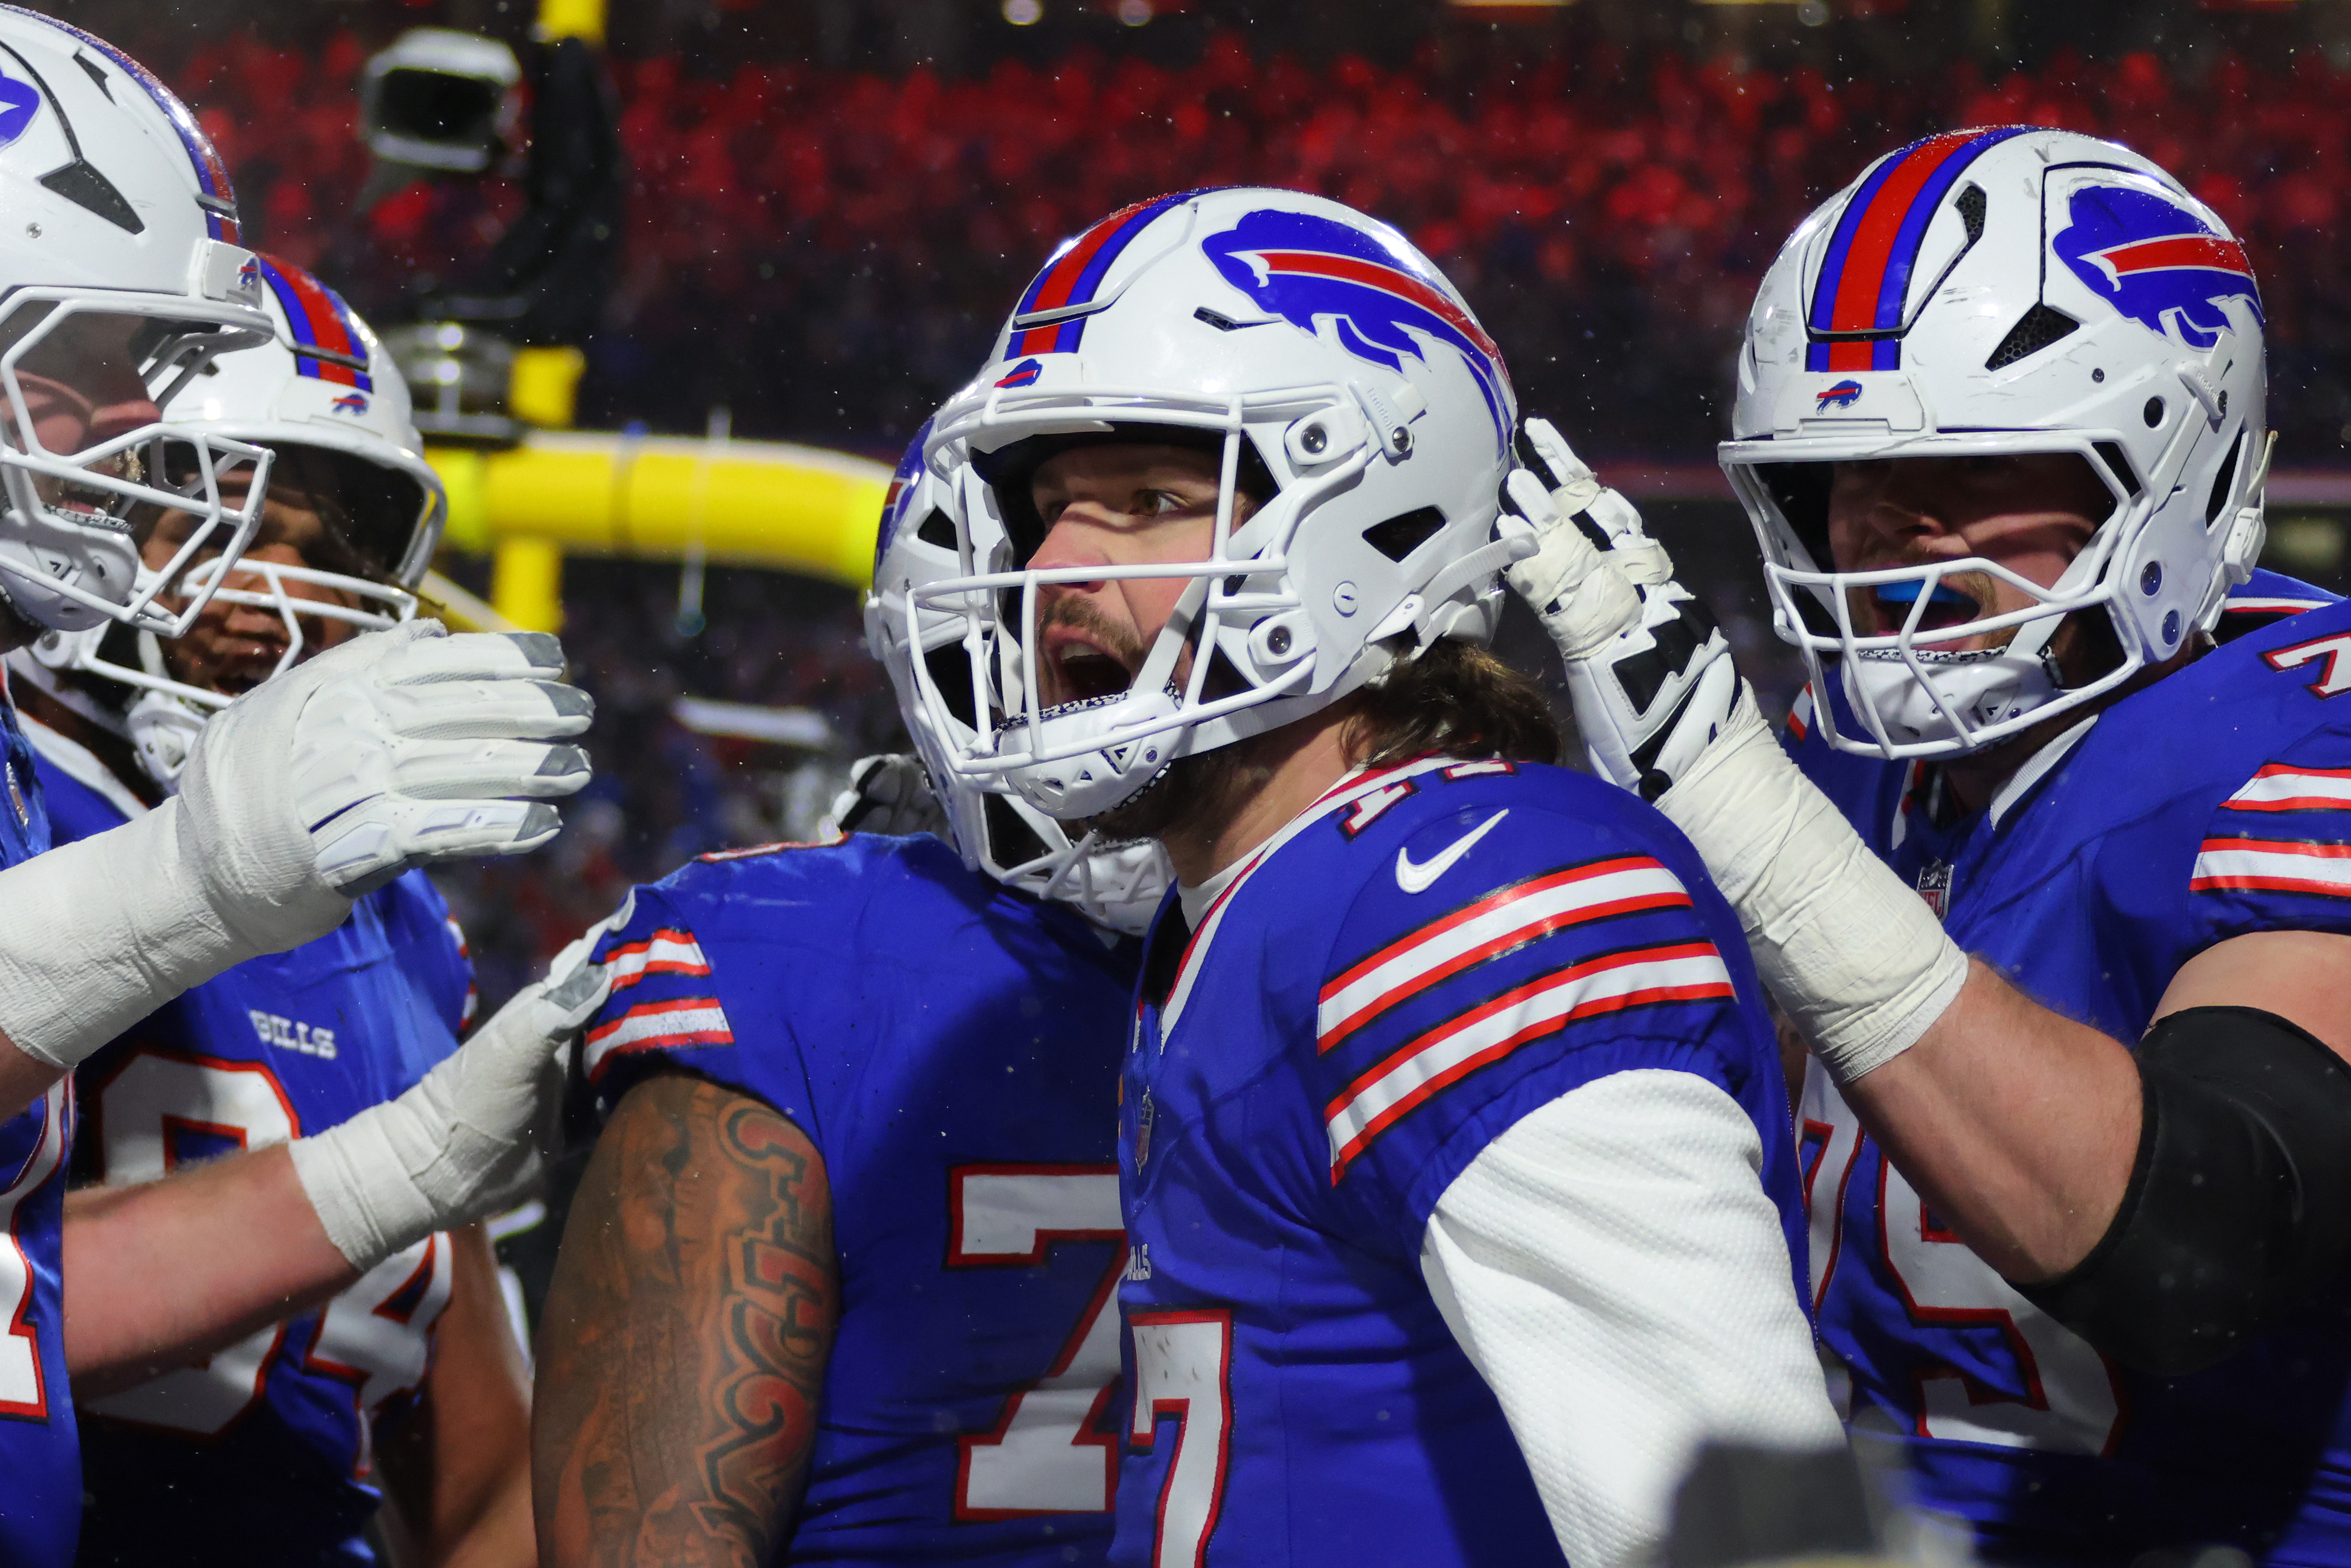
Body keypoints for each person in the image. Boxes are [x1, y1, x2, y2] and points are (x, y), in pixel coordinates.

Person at [906, 187, 1841, 1568]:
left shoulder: (1463, 894)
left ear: (1370, 530)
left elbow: (1748, 1545)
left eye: (1152, 502)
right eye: (1047, 513)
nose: (1050, 571)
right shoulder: (1259, 895)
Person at [1508, 127, 2351, 1560]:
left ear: (2171, 468)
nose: (1883, 528)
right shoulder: (1835, 762)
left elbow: (2195, 1249)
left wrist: (1752, 843)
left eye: (1967, 471)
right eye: (1837, 476)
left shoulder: (2295, 740)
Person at [0, 14, 599, 1563]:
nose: (270, 593)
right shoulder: (41, 795)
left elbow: (474, 1472)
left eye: (326, 553)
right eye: (211, 515)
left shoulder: (399, 925)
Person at [530, 438, 1169, 1565]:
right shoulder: (803, 962)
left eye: (1154, 503)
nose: (1069, 558)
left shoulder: (1395, 932)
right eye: (1050, 512)